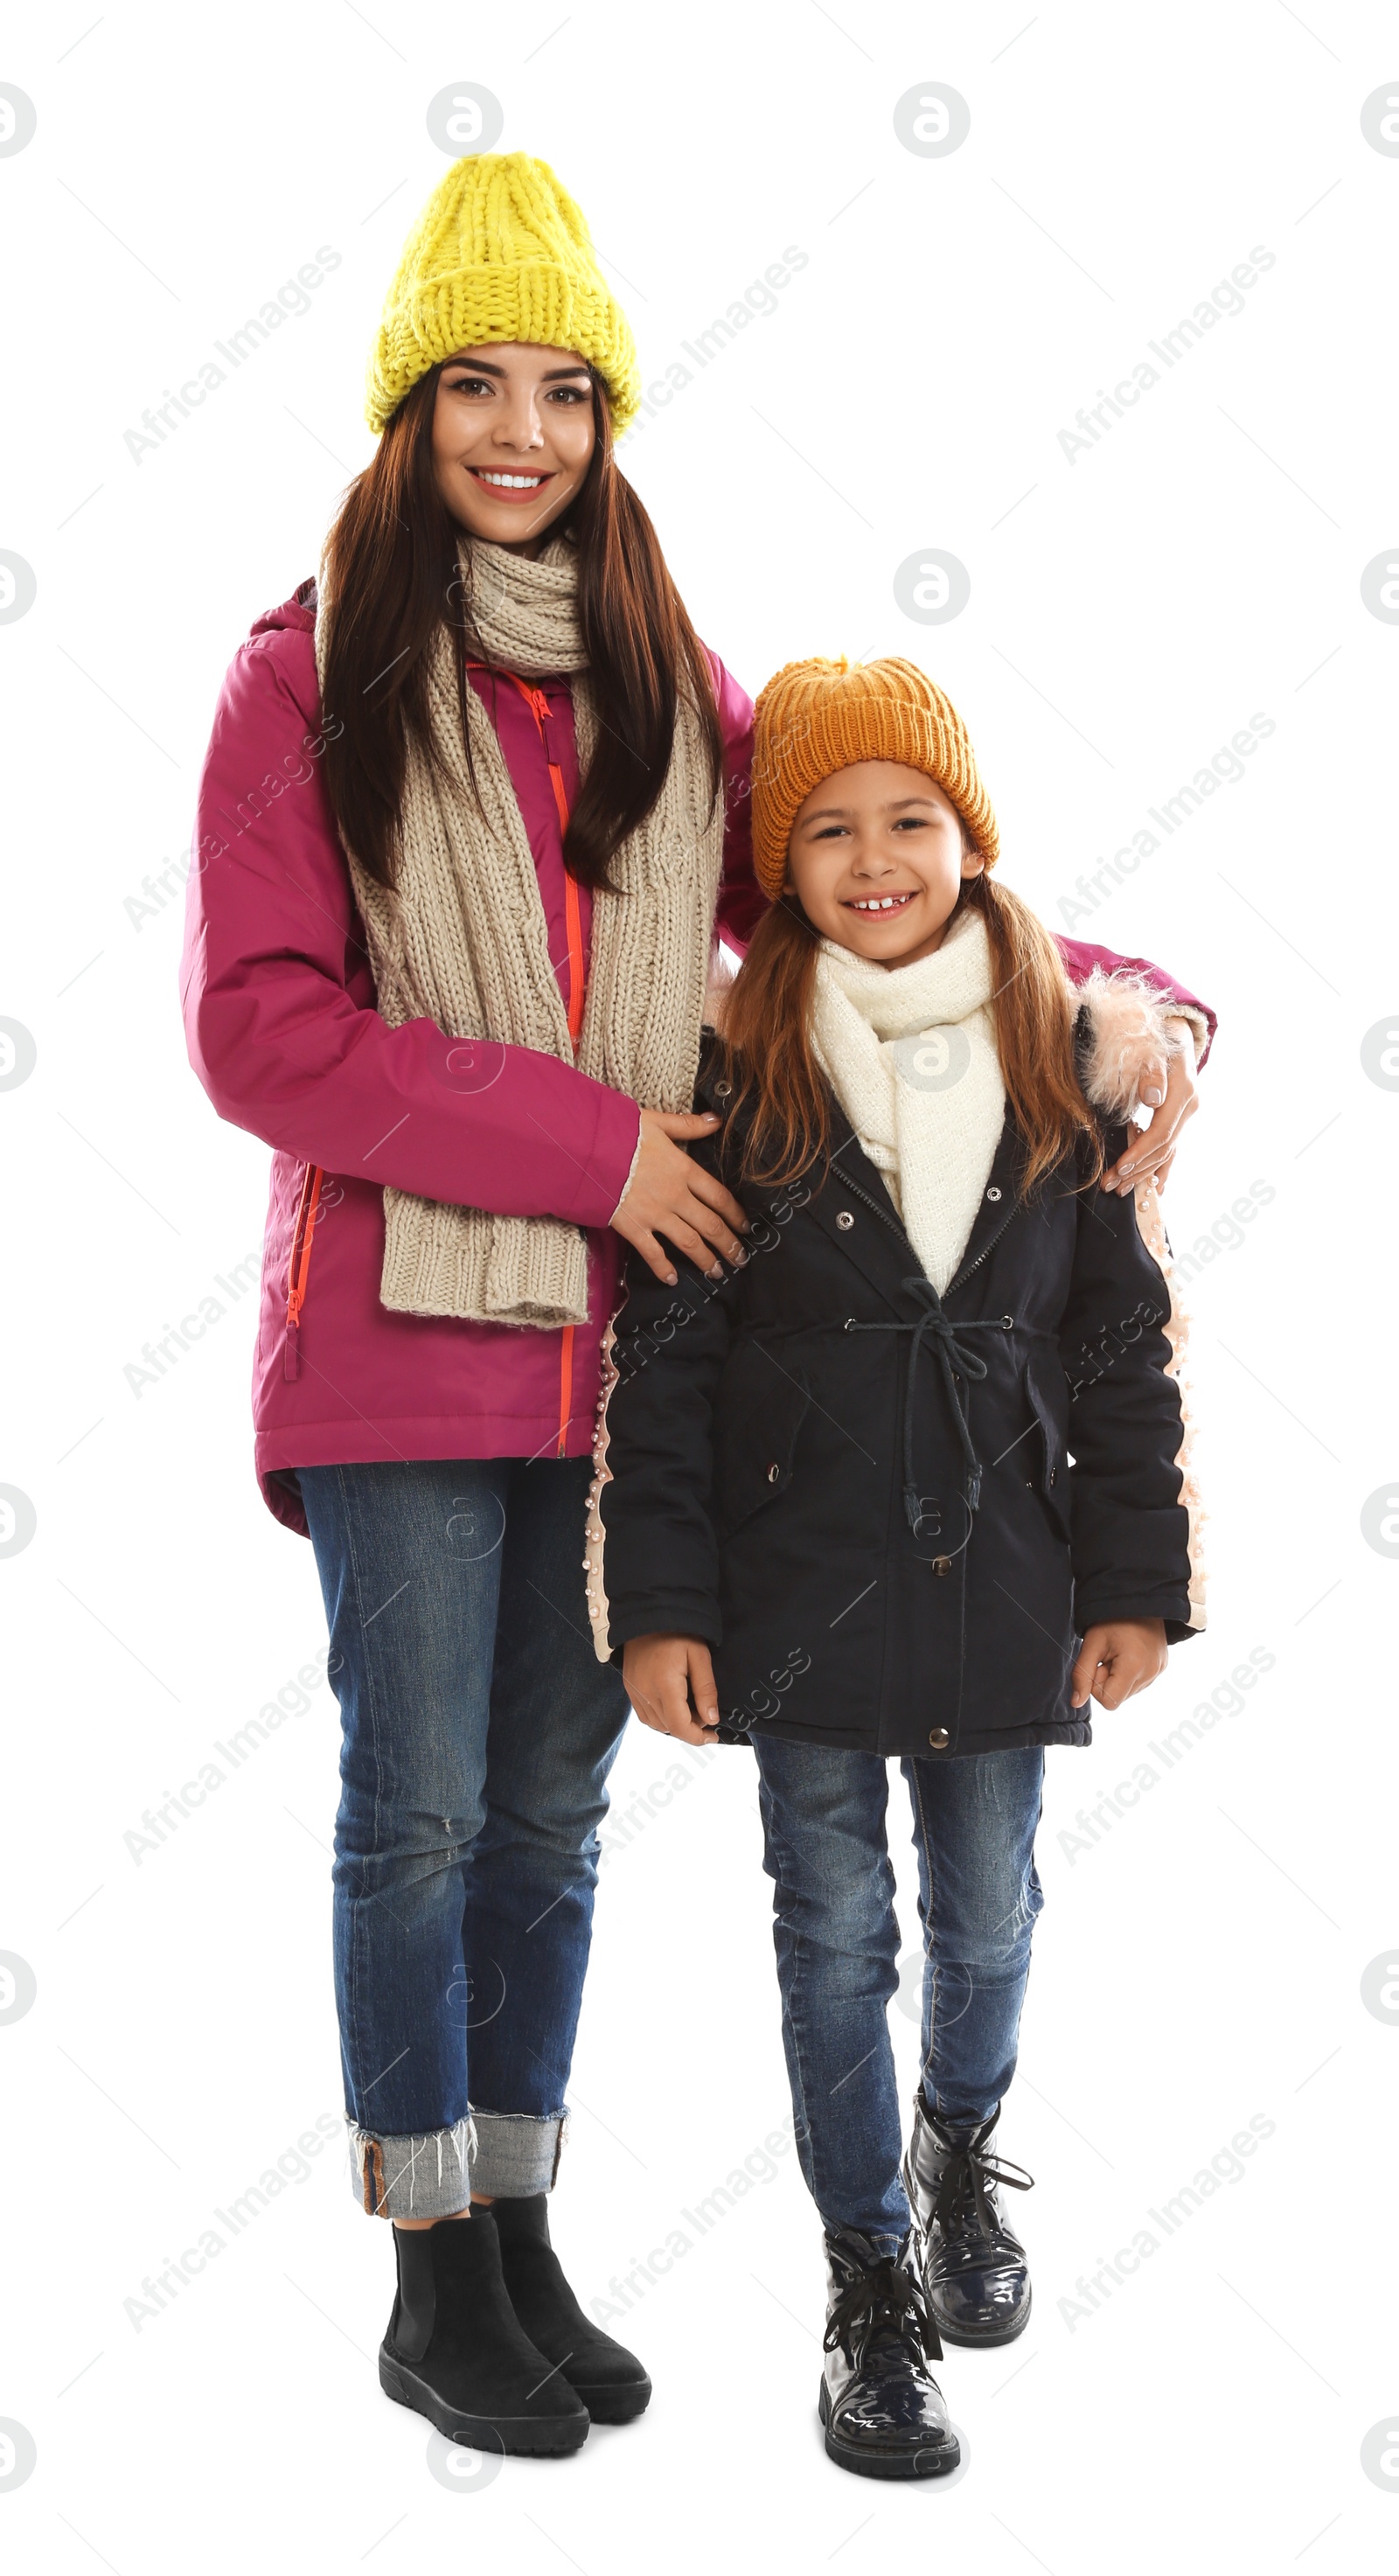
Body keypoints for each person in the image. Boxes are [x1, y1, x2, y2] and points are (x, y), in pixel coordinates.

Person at [182, 148, 1212, 2461]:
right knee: (416, 1815)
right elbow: (259, 1032)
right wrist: (596, 1152)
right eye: (477, 384)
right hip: (405, 1348)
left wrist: (1129, 997)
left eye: (564, 388)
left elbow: (885, 859)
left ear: (608, 413)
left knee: (550, 1817)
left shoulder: (663, 677)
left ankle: (522, 2228)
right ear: (408, 408)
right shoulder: (305, 678)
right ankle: (428, 2265)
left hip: (634, 1356)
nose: (523, 432)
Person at [593, 656, 1205, 2479]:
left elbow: (1115, 1349)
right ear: (776, 868)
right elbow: (669, 1367)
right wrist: (665, 1607)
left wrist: (1133, 1578)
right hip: (794, 1600)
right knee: (830, 1927)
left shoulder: (1059, 1057)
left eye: (910, 821)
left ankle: (957, 2144)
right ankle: (864, 2274)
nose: (875, 858)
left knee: (989, 1911)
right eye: (828, 829)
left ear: (968, 836)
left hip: (1008, 1590)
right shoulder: (734, 1064)